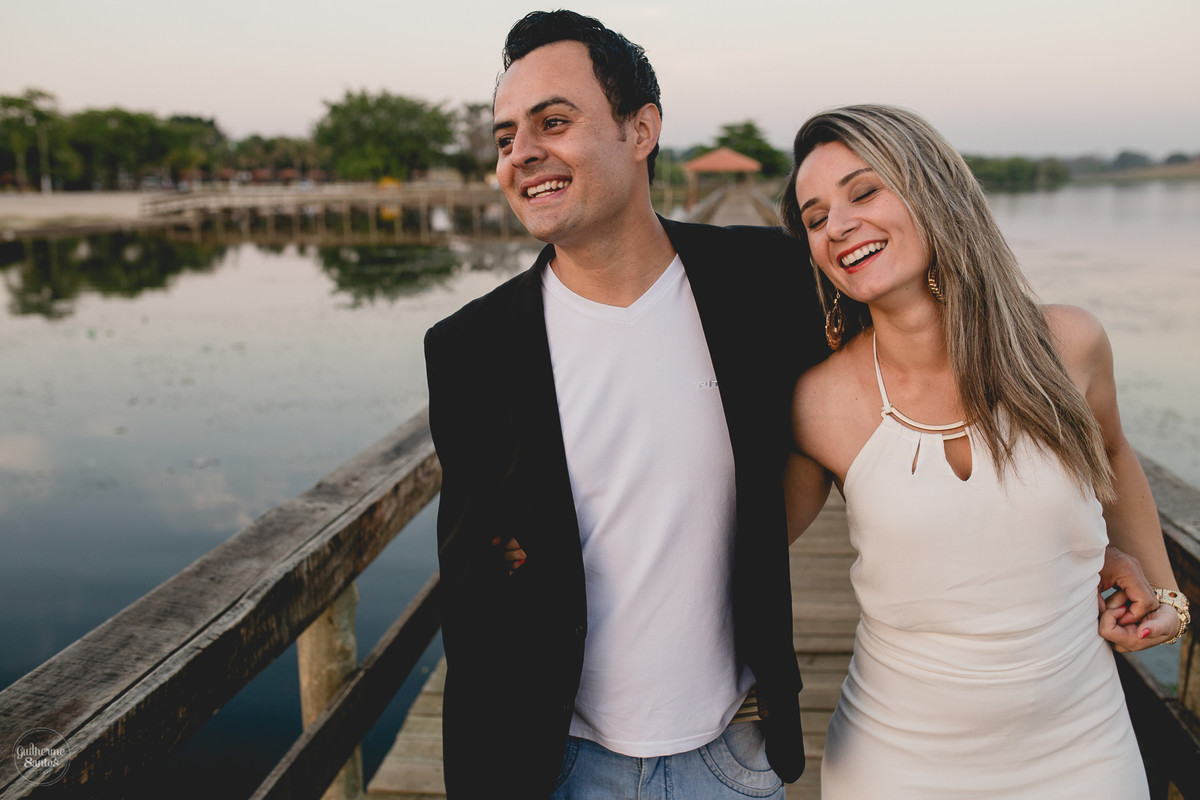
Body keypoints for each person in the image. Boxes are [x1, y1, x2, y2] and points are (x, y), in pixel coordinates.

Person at [423, 10, 828, 798]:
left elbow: (893, 383)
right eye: (506, 137)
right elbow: (472, 594)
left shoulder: (770, 280)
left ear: (641, 130)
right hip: (561, 762)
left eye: (554, 121)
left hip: (732, 750)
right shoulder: (470, 349)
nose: (523, 154)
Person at [777, 104, 1189, 798]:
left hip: (1083, 752)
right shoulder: (818, 402)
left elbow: (1114, 456)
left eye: (865, 190)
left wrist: (1165, 597)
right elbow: (738, 542)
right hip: (897, 762)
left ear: (932, 188)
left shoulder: (1069, 345)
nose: (838, 225)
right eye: (816, 218)